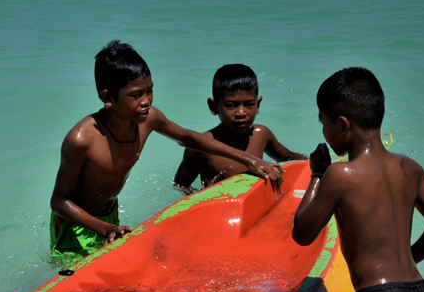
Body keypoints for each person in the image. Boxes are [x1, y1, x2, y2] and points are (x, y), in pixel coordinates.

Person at [50, 41, 284, 261]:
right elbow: (59, 201)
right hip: (77, 227)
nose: (146, 101)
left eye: (149, 91)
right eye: (135, 95)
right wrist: (105, 228)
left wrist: (251, 160)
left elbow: (188, 137)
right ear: (107, 97)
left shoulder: (148, 118)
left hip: (110, 218)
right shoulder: (81, 139)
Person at [292, 67, 424, 292]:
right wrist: (407, 260)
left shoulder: (339, 175)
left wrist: (317, 174)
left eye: (323, 123)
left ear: (342, 124)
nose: (323, 133)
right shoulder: (409, 168)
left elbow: (302, 233)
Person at [174, 64, 307, 194]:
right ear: (213, 107)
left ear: (258, 104)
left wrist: (312, 162)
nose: (241, 113)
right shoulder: (201, 146)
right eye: (231, 105)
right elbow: (181, 186)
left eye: (249, 104)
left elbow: (288, 157)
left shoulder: (261, 135)